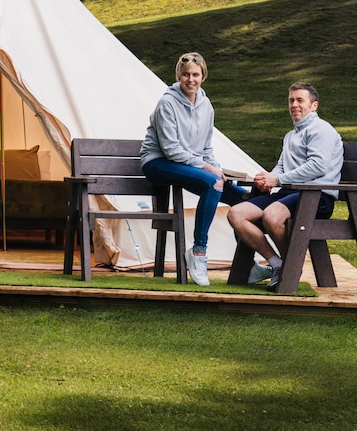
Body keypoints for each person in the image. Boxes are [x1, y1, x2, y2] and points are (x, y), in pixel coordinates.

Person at [140, 52, 245, 287]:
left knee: (242, 198)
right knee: (211, 182)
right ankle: (198, 254)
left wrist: (216, 169)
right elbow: (170, 150)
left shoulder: (206, 106)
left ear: (203, 77)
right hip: (158, 163)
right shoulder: (167, 103)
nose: (191, 79)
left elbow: (206, 147)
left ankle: (245, 264)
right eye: (186, 74)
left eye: (195, 75)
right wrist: (207, 168)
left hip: (186, 164)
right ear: (179, 76)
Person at [227, 83, 344, 291]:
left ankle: (290, 268)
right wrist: (268, 178)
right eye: (291, 100)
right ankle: (278, 264)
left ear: (314, 105)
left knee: (271, 216)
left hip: (316, 197)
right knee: (236, 213)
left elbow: (317, 167)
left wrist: (277, 180)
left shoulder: (321, 129)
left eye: (300, 100)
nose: (294, 105)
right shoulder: (291, 136)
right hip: (289, 194)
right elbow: (281, 167)